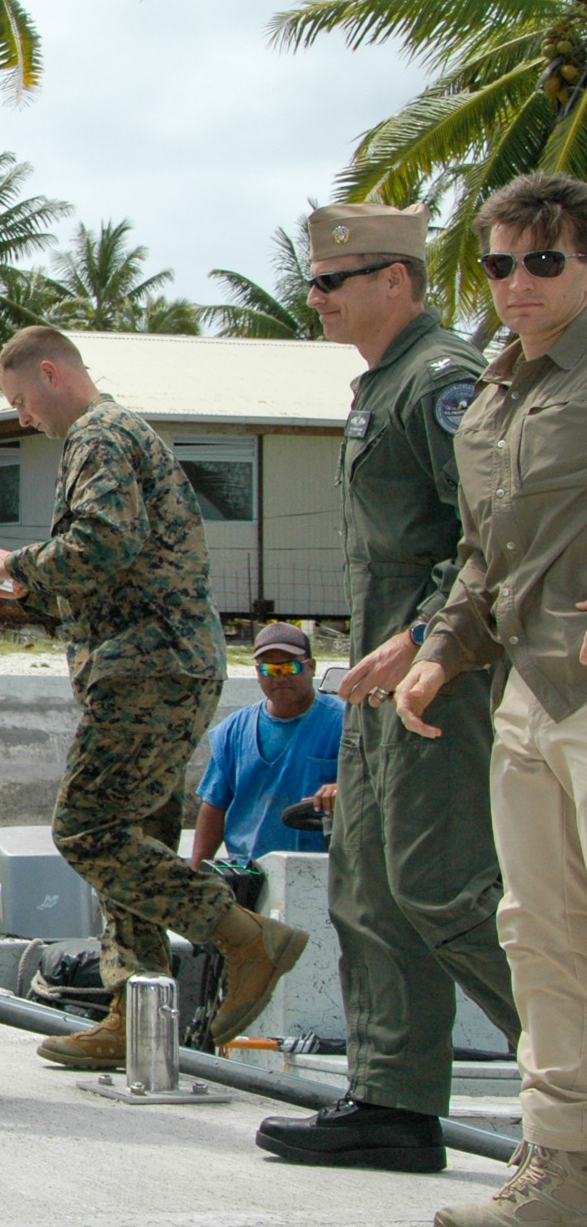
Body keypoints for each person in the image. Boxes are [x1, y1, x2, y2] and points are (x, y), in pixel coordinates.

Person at [255, 202, 519, 1175]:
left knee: (444, 888)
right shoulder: (385, 383)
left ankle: (570, 1066)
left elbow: (490, 539)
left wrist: (417, 640)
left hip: (442, 679)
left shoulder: (444, 381)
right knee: (368, 889)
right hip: (380, 682)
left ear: (395, 280)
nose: (315, 297)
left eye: (333, 281)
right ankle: (394, 1102)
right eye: (314, 282)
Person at [0, 325, 309, 1072]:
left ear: (52, 373)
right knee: (134, 843)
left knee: (88, 831)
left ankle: (246, 938)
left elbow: (102, 541)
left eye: (21, 400)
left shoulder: (98, 435)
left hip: (147, 669)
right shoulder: (117, 434)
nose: (23, 417)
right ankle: (136, 1011)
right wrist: (32, 587)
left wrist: (17, 563)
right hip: (161, 663)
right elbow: (118, 561)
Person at [393, 173, 587, 1227]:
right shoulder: (495, 396)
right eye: (502, 263)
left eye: (544, 260)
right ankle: (563, 1165)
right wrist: (440, 651)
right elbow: (483, 553)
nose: (518, 282)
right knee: (539, 933)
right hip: (526, 695)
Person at [189, 623, 341, 871]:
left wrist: (343, 790)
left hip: (323, 872)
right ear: (257, 673)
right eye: (269, 669)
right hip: (249, 874)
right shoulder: (233, 731)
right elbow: (214, 807)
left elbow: (374, 789)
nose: (280, 677)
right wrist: (195, 876)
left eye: (290, 667)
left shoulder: (345, 725)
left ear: (311, 667)